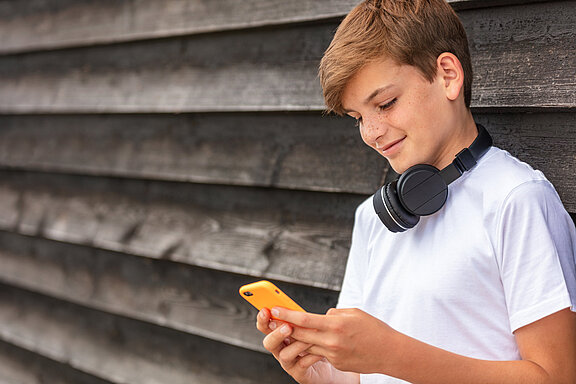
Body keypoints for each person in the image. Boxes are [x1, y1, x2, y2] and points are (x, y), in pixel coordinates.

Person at [256, 0, 576, 383]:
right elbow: (361, 375)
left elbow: (555, 376)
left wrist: (392, 354)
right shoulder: (374, 218)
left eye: (386, 103)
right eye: (358, 118)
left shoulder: (517, 199)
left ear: (447, 75)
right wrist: (317, 371)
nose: (371, 133)